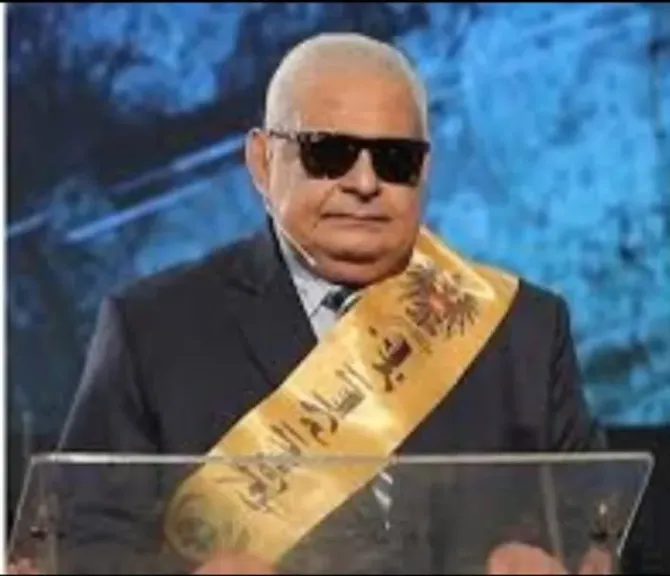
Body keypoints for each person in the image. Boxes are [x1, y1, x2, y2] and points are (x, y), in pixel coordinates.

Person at [12, 33, 614, 574]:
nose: (364, 182)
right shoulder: (152, 329)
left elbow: (596, 523)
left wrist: (573, 560)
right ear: (261, 160)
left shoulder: (522, 327)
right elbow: (81, 544)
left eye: (395, 160)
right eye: (329, 153)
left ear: (425, 169)